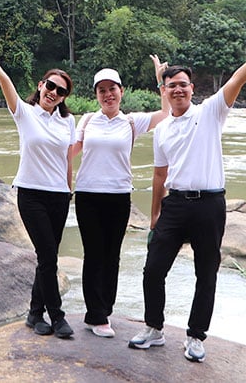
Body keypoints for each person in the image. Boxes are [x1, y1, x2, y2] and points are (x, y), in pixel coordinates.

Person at [129, 20, 246, 363]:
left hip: (209, 204)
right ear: (164, 91)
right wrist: (154, 213)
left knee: (205, 272)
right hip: (175, 204)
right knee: (153, 269)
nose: (178, 90)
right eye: (171, 86)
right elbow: (159, 174)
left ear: (191, 88)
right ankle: (154, 327)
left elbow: (237, 80)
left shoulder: (210, 112)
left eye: (183, 85)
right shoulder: (163, 129)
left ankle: (196, 336)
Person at [0, 22, 77, 339]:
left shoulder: (68, 121)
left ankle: (34, 314)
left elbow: (67, 158)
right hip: (31, 195)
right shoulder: (24, 112)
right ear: (41, 85)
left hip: (59, 197)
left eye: (61, 90)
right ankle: (58, 317)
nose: (54, 93)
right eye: (50, 86)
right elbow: (3, 77)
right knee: (49, 256)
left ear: (65, 96)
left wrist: (70, 190)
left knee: (46, 258)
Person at [66, 56, 170, 339]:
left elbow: (167, 112)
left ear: (121, 91)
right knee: (94, 255)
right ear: (96, 95)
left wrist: (161, 80)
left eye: (113, 89)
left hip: (119, 195)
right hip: (88, 195)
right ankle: (95, 315)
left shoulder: (131, 122)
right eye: (102, 90)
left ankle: (104, 310)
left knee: (112, 256)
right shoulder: (87, 120)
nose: (108, 94)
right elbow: (69, 154)